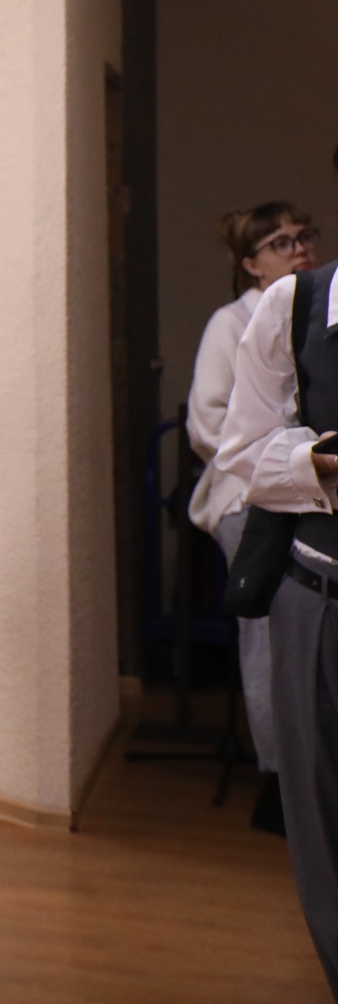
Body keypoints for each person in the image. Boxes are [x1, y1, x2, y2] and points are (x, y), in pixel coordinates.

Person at [219, 244, 338, 999]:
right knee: (324, 829)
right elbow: (241, 451)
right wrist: (322, 464)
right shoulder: (293, 307)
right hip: (321, 600)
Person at [188, 202, 316, 836]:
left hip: (313, 488)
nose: (300, 249)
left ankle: (319, 767)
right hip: (247, 495)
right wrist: (288, 461)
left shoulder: (318, 310)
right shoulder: (230, 323)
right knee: (269, 626)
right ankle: (278, 778)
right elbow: (209, 426)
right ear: (251, 264)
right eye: (281, 242)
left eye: (304, 236)